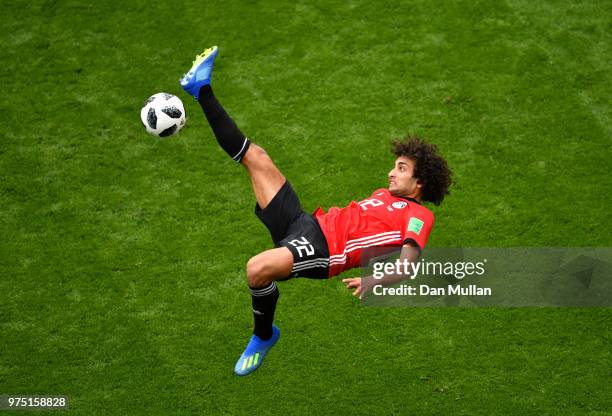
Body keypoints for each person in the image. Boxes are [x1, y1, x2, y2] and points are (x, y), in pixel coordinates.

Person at [180, 46, 452, 376]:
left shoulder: (420, 216)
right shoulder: (384, 194)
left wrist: (376, 280)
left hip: (324, 250)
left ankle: (263, 336)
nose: (391, 173)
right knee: (257, 159)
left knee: (256, 269)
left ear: (419, 182)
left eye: (401, 168)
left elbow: (408, 264)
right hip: (305, 224)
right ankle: (200, 89)